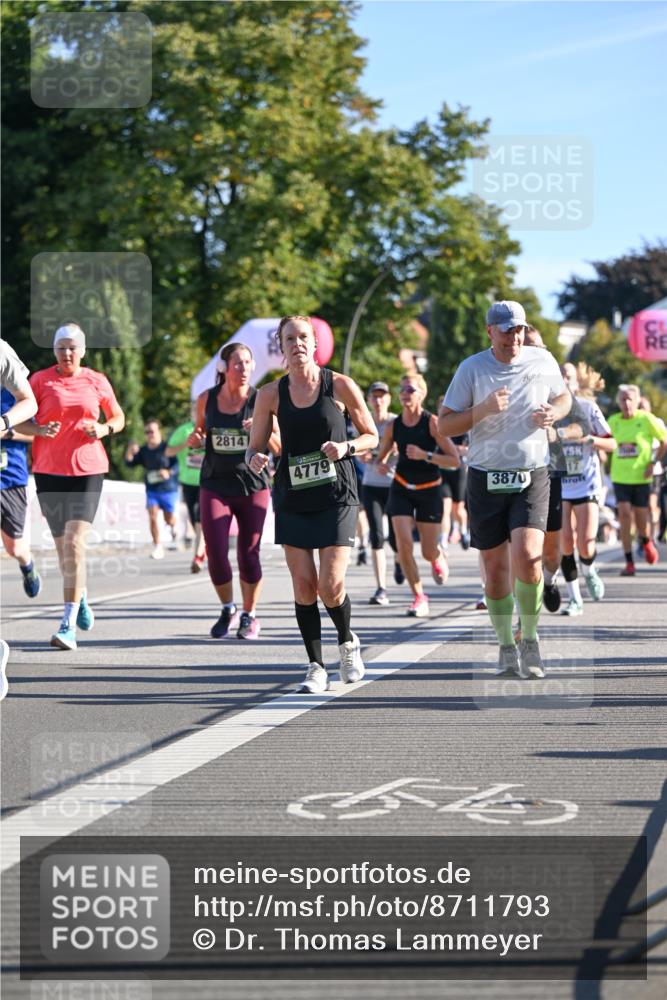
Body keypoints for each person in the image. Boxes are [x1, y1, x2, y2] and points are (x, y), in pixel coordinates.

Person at [439, 300, 571, 679]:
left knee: (528, 557)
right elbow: (445, 425)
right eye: (506, 330)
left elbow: (564, 397)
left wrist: (555, 413)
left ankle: (529, 638)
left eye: (519, 330)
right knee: (496, 571)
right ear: (490, 331)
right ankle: (505, 646)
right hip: (485, 476)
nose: (514, 337)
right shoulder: (472, 368)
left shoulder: (542, 360)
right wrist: (481, 410)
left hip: (532, 473)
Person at [247, 315, 378, 693]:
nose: (297, 344)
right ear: (281, 345)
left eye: (303, 337)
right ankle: (316, 666)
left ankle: (347, 642)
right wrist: (254, 458)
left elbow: (371, 436)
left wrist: (346, 447)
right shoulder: (269, 394)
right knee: (304, 585)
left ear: (314, 343)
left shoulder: (339, 385)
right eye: (289, 338)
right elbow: (254, 447)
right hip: (293, 495)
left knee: (330, 584)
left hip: (337, 494)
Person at [14, 324, 125, 649]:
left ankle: (67, 625)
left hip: (88, 469)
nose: (67, 353)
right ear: (54, 350)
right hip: (49, 471)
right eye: (61, 347)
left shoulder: (96, 380)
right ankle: (81, 595)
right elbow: (19, 420)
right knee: (64, 550)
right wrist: (38, 430)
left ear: (83, 350)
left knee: (75, 544)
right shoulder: (39, 380)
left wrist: (103, 429)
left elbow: (118, 417)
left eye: (73, 347)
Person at [189, 341, 278, 640]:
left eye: (248, 362)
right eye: (237, 363)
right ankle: (228, 608)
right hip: (215, 483)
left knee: (248, 555)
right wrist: (196, 440)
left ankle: (249, 614)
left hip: (252, 485)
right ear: (224, 368)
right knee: (215, 552)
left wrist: (261, 431)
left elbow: (279, 446)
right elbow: (201, 432)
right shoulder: (206, 398)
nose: (243, 368)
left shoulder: (262, 399)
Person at [377, 373, 460, 618]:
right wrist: (380, 463)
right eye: (402, 389)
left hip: (429, 489)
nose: (405, 394)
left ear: (422, 394)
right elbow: (381, 457)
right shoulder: (394, 426)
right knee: (403, 545)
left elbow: (454, 460)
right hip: (401, 487)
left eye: (410, 390)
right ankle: (419, 597)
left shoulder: (432, 423)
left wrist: (426, 455)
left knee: (427, 550)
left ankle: (437, 556)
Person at [558, 362, 616, 615]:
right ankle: (574, 599)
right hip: (560, 484)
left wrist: (590, 439)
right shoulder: (548, 411)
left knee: (585, 543)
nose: (563, 379)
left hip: (586, 483)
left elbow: (612, 443)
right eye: (559, 375)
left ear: (575, 381)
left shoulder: (588, 408)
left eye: (567, 375)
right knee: (565, 544)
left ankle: (590, 570)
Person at [608, 384, 667, 575]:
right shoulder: (613, 421)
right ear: (618, 402)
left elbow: (664, 441)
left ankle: (646, 540)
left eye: (629, 399)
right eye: (623, 399)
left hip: (641, 478)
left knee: (642, 520)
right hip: (620, 477)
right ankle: (629, 562)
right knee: (624, 515)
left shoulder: (646, 419)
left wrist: (653, 463)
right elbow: (605, 440)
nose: (626, 403)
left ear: (636, 401)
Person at [358, 381, 399, 605]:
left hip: (393, 484)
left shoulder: (395, 421)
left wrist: (387, 457)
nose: (378, 400)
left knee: (396, 538)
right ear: (369, 400)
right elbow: (358, 449)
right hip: (371, 484)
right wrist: (364, 456)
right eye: (374, 396)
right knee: (376, 536)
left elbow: (402, 448)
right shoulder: (365, 422)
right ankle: (381, 587)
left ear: (389, 399)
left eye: (382, 396)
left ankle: (400, 561)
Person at [1, 389, 41, 598]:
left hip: (11, 479)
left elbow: (37, 434)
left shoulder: (17, 395)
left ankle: (28, 565)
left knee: (14, 548)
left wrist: (7, 433)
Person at [125, 419, 179, 560]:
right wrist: (129, 451)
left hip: (168, 489)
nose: (149, 434)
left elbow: (178, 465)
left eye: (152, 431)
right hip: (152, 489)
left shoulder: (167, 448)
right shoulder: (144, 451)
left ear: (159, 431)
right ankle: (157, 547)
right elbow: (129, 464)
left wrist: (169, 472)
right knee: (153, 516)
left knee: (169, 518)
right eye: (147, 432)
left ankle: (173, 526)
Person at [166, 404, 207, 572]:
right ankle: (203, 548)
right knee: (194, 518)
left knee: (201, 518)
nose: (199, 414)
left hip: (208, 480)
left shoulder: (213, 429)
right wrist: (186, 444)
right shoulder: (184, 430)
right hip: (188, 482)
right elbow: (168, 452)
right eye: (196, 411)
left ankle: (198, 555)